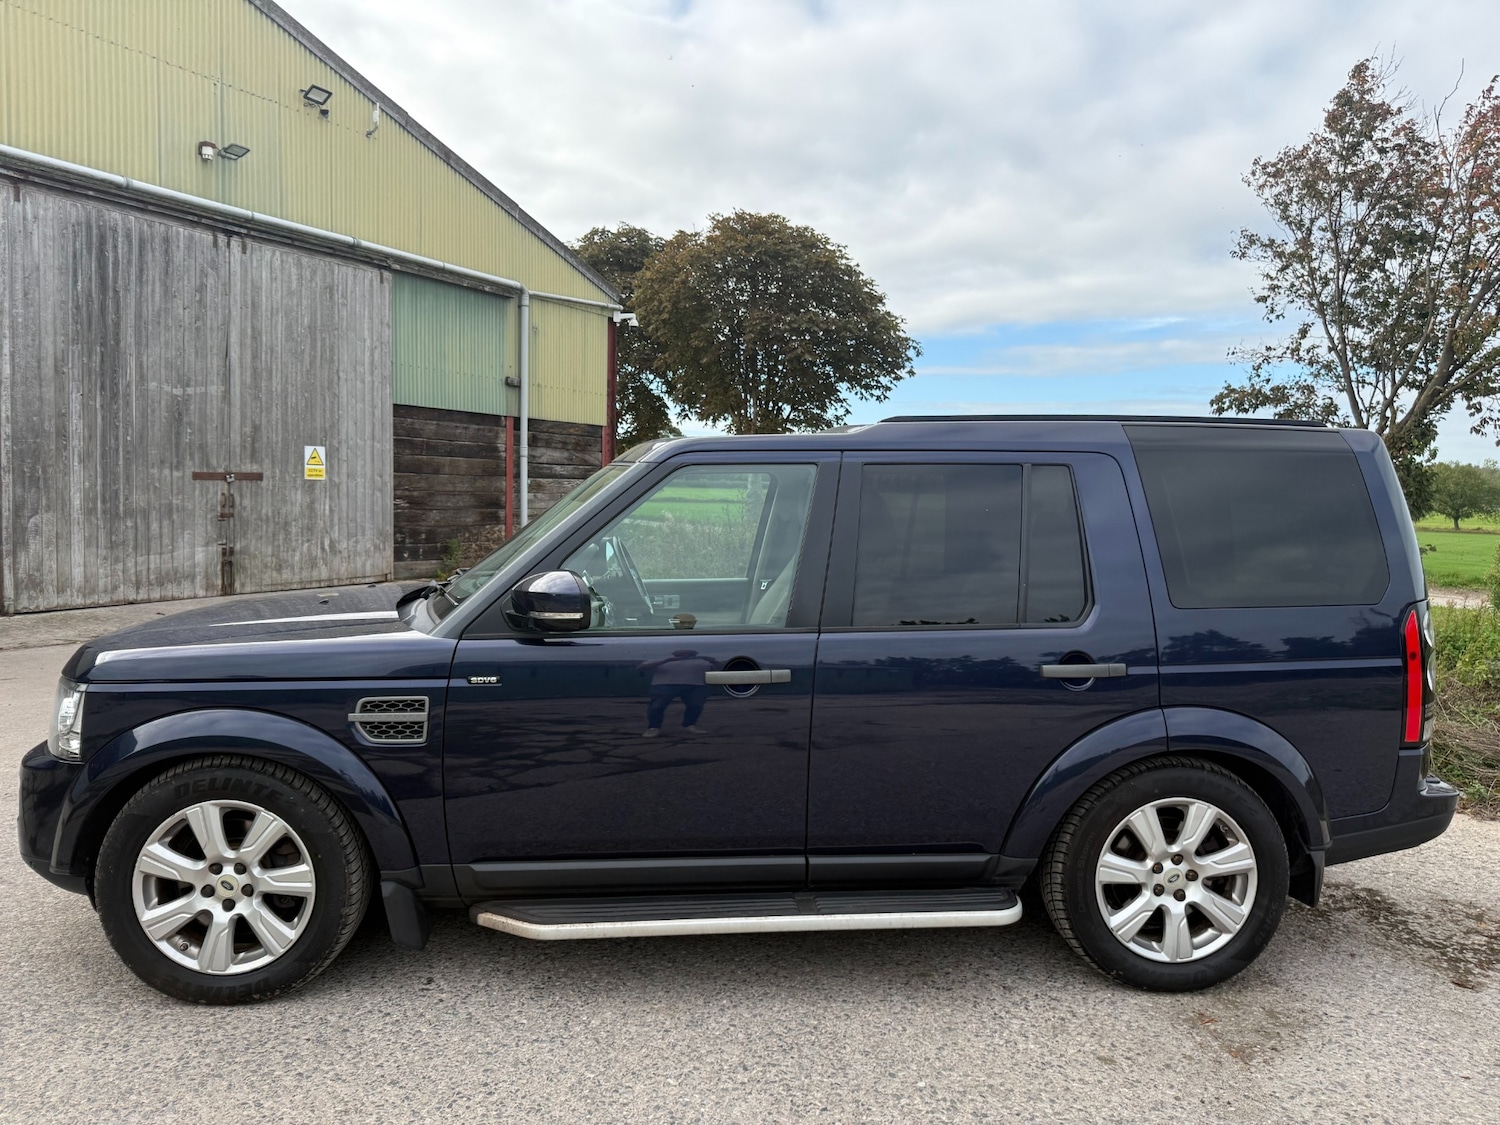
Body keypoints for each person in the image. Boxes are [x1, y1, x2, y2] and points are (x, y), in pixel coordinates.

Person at [637, 649, 717, 736]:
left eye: (690, 654)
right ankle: (653, 728)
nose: (686, 655)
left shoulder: (703, 661)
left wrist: (713, 661)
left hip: (696, 685)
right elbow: (641, 668)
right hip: (664, 684)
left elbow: (718, 669)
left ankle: (689, 725)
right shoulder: (661, 659)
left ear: (694, 654)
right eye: (683, 654)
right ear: (675, 654)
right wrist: (666, 660)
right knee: (657, 706)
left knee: (696, 705)